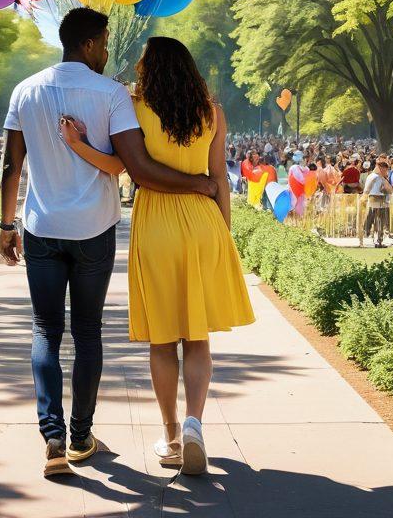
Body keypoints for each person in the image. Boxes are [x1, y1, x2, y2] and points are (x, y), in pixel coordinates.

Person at [0, 8, 217, 479]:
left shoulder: (25, 90)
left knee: (45, 331)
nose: (108, 50)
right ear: (93, 43)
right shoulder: (111, 94)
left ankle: (53, 435)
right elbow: (131, 165)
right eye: (105, 42)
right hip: (95, 227)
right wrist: (199, 184)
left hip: (41, 225)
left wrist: (5, 225)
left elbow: (10, 167)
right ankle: (82, 435)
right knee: (89, 332)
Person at [61, 36, 253, 476]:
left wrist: (80, 143)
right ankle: (194, 427)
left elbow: (123, 165)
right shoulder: (212, 112)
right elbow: (218, 176)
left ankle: (169, 438)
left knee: (164, 339)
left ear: (149, 71)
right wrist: (224, 232)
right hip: (204, 221)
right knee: (198, 336)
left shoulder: (133, 107)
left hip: (157, 222)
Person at [360, 158, 392, 248]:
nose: (386, 171)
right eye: (385, 169)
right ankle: (375, 240)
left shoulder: (379, 177)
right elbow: (367, 190)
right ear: (380, 168)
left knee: (378, 222)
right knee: (375, 221)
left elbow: (388, 190)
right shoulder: (374, 177)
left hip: (380, 200)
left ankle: (378, 240)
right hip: (375, 200)